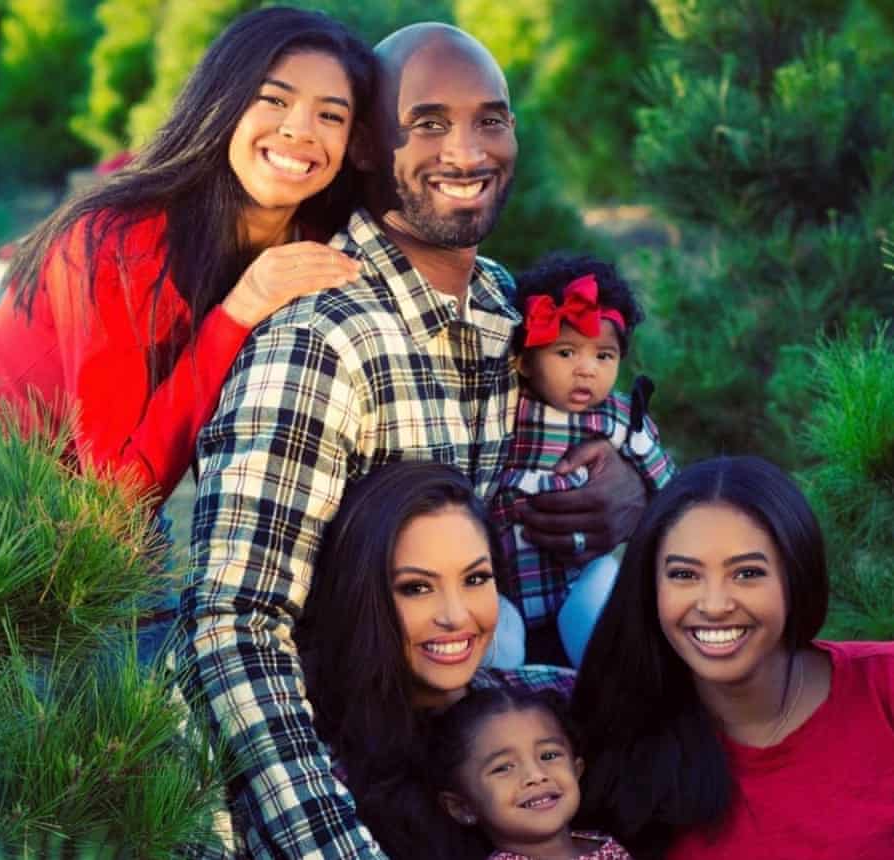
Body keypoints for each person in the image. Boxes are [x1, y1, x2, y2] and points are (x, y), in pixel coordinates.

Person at [177, 22, 646, 858]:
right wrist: (334, 846)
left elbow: (584, 465)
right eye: (427, 122)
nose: (466, 150)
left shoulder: (510, 311)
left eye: (491, 119)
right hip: (350, 782)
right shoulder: (322, 340)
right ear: (364, 146)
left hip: (482, 767)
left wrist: (631, 490)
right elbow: (232, 626)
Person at [0, 7, 370, 507]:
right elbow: (118, 498)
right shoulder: (122, 243)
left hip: (94, 523)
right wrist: (239, 311)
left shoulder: (312, 242)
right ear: (223, 102)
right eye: (273, 99)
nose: (300, 130)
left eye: (330, 115)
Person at [571, 455, 894, 860]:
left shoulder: (884, 685)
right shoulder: (615, 744)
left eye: (747, 573)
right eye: (684, 575)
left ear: (795, 577)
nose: (715, 604)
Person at [299, 461, 576, 860]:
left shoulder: (555, 698)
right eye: (416, 587)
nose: (456, 615)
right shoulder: (318, 772)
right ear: (361, 598)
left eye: (475, 579)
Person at [491, 254, 675, 667]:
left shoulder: (616, 418)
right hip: (505, 578)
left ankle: (605, 682)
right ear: (523, 360)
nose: (586, 371)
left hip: (577, 576)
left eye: (603, 356)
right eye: (566, 352)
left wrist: (655, 497)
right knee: (498, 644)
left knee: (601, 610)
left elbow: (664, 480)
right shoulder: (504, 409)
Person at [431, 687, 632, 860]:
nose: (536, 775)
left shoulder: (602, 843)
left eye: (549, 755)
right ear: (462, 807)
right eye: (503, 768)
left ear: (576, 770)